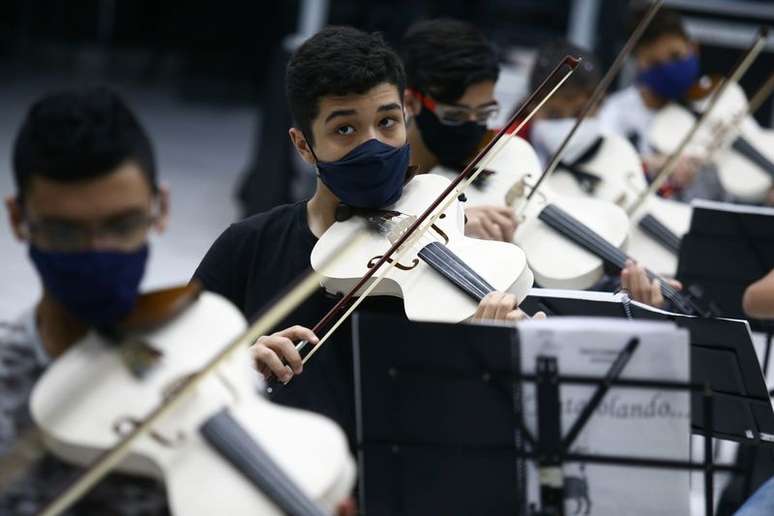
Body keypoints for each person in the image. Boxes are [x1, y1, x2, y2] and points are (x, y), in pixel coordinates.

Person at [193, 26, 534, 448]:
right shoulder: (247, 246)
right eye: (345, 130)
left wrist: (496, 355)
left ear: (406, 117)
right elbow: (172, 379)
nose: (373, 145)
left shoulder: (448, 236)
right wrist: (236, 367)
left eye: (387, 122)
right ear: (303, 145)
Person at [1, 86, 169, 514]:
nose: (97, 250)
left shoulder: (198, 361)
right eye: (64, 231)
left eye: (122, 225)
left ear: (160, 208)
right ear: (19, 220)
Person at [400, 18, 518, 242]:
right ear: (411, 102)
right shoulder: (386, 180)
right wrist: (451, 224)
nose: (473, 126)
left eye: (484, 113)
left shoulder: (501, 159)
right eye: (455, 115)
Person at [598, 5, 726, 202]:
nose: (669, 68)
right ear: (638, 64)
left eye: (676, 56)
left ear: (693, 48)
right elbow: (603, 169)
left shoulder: (719, 103)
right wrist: (650, 165)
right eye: (655, 63)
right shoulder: (615, 114)